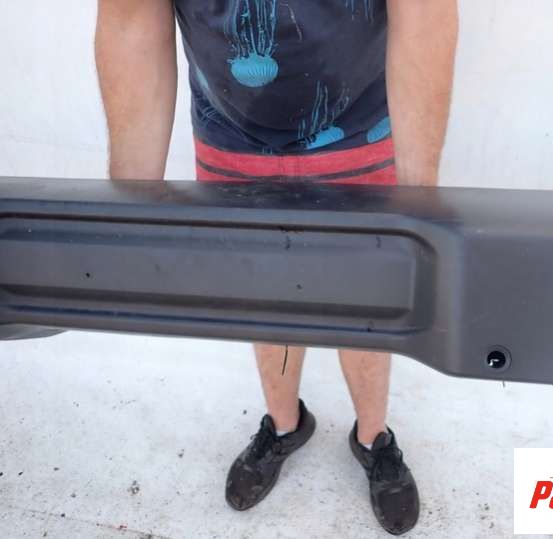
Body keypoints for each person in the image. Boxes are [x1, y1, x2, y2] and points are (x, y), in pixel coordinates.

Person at [95, 0, 457, 534]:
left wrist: (418, 204)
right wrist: (130, 211)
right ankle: (286, 425)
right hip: (232, 135)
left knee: (367, 305)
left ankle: (373, 437)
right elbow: (130, 18)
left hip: (360, 131)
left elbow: (424, 12)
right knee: (263, 298)